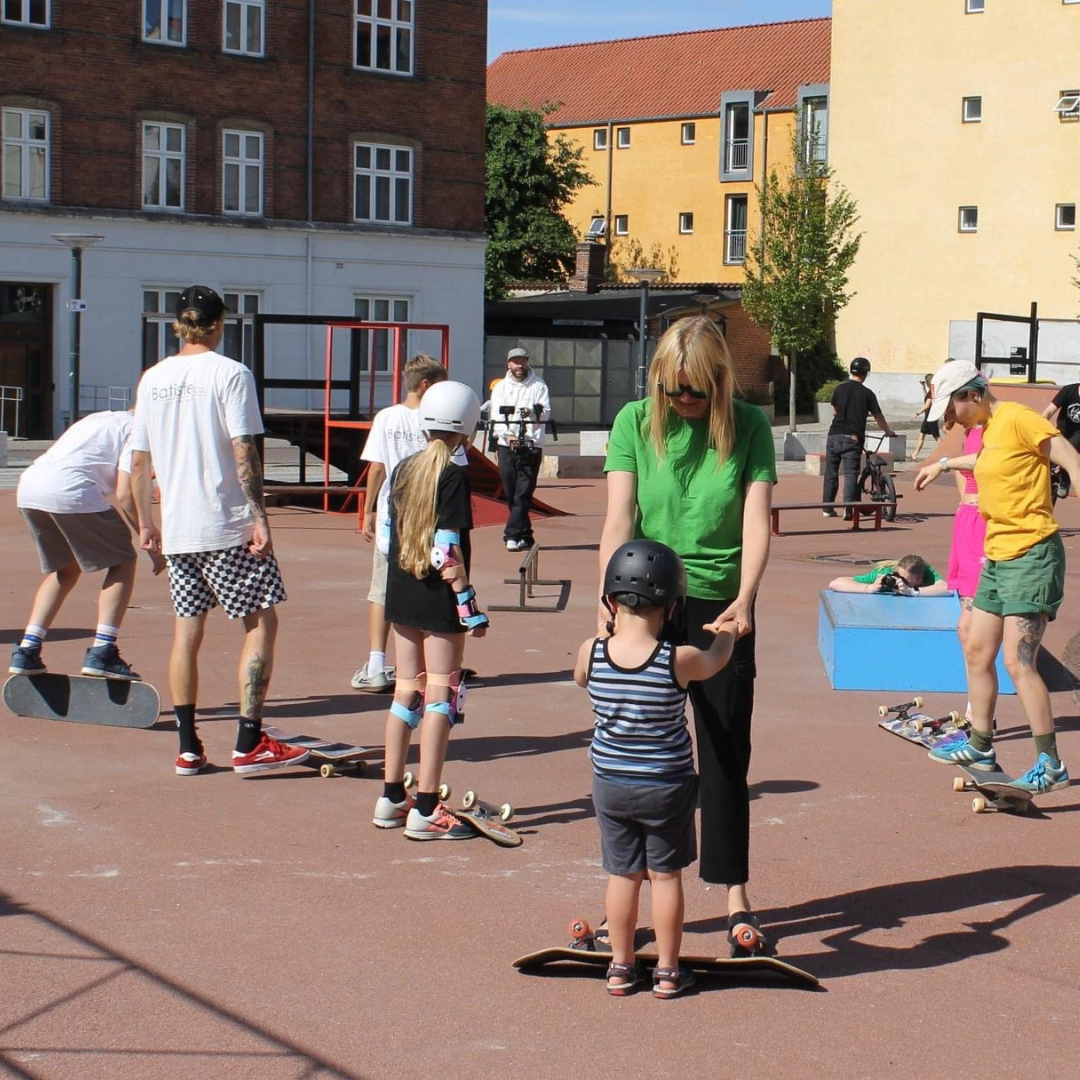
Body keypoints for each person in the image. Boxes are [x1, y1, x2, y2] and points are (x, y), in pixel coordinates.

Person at [600, 316, 776, 950]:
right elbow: (619, 516)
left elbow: (757, 520)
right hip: (645, 594)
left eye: (695, 391)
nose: (683, 402)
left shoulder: (751, 426)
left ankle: (734, 893)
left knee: (725, 748)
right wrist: (608, 598)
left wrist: (745, 598)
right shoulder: (633, 422)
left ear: (720, 381)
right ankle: (630, 896)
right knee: (636, 747)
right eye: (672, 390)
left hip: (719, 601)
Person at [130, 286, 307, 777]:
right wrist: (260, 515)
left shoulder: (153, 378)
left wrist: (146, 522)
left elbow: (139, 460)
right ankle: (249, 740)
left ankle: (188, 746)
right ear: (218, 324)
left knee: (188, 630)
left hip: (181, 526)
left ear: (177, 325)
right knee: (261, 623)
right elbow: (243, 448)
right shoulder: (230, 373)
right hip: (225, 521)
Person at [575, 540, 743, 998]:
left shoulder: (592, 651)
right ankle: (667, 971)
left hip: (610, 783)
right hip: (665, 786)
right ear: (671, 609)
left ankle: (620, 966)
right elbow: (717, 661)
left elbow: (580, 677)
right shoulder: (678, 659)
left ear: (611, 601)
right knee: (665, 876)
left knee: (621, 875)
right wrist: (729, 630)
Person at [914, 360, 1080, 792]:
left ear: (972, 394)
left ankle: (1051, 763)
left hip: (1033, 554)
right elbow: (988, 457)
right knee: (975, 647)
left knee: (1018, 661)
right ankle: (981, 744)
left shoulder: (1020, 419)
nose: (949, 420)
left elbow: (1069, 459)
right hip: (998, 557)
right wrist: (945, 464)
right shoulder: (988, 429)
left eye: (951, 410)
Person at [371, 380, 489, 840]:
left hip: (401, 595)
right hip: (438, 600)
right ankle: (425, 806)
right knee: (443, 693)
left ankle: (391, 796)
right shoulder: (454, 475)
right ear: (468, 428)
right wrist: (468, 604)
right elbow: (447, 550)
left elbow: (388, 533)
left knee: (406, 692)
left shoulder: (404, 468)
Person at [10, 408, 164, 679]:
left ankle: (27, 650)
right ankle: (103, 650)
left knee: (65, 569)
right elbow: (125, 494)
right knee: (122, 561)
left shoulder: (99, 418)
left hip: (30, 488)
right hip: (72, 491)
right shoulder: (140, 430)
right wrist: (147, 533)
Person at [352, 354, 462, 693]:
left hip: (392, 515)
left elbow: (377, 468)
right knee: (433, 583)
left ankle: (376, 661)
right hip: (430, 515)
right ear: (427, 385)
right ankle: (434, 661)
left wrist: (368, 509)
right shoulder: (440, 418)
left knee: (382, 589)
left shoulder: (386, 417)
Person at [487, 347, 551, 551]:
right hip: (507, 446)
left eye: (522, 361)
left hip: (531, 445)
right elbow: (496, 417)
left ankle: (511, 534)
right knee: (511, 490)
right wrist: (508, 435)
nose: (519, 366)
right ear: (509, 364)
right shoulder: (501, 388)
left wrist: (530, 412)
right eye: (515, 362)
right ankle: (526, 534)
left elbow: (546, 412)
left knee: (524, 492)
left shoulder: (539, 385)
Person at [822, 356, 897, 518]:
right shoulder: (867, 394)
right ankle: (848, 509)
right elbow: (878, 416)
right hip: (853, 438)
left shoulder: (839, 389)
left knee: (831, 472)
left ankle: (827, 509)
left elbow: (834, 410)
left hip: (834, 435)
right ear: (866, 373)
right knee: (850, 473)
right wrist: (888, 431)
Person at [827, 554, 950, 595]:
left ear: (919, 580)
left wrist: (912, 592)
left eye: (905, 580)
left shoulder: (926, 572)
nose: (898, 581)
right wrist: (868, 588)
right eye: (897, 575)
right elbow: (835, 583)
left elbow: (948, 589)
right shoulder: (885, 574)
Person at [1041, 383, 1080, 500]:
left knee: (1071, 446)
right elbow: (1048, 411)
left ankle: (1065, 478)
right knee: (1047, 454)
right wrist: (1039, 426)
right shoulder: (1068, 391)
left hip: (1078, 435)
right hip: (1061, 431)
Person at [909, 374, 940, 461]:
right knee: (921, 435)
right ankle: (915, 454)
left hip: (930, 417)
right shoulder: (932, 391)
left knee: (936, 436)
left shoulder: (932, 392)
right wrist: (923, 388)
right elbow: (927, 398)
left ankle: (946, 451)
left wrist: (917, 413)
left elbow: (927, 405)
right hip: (929, 417)